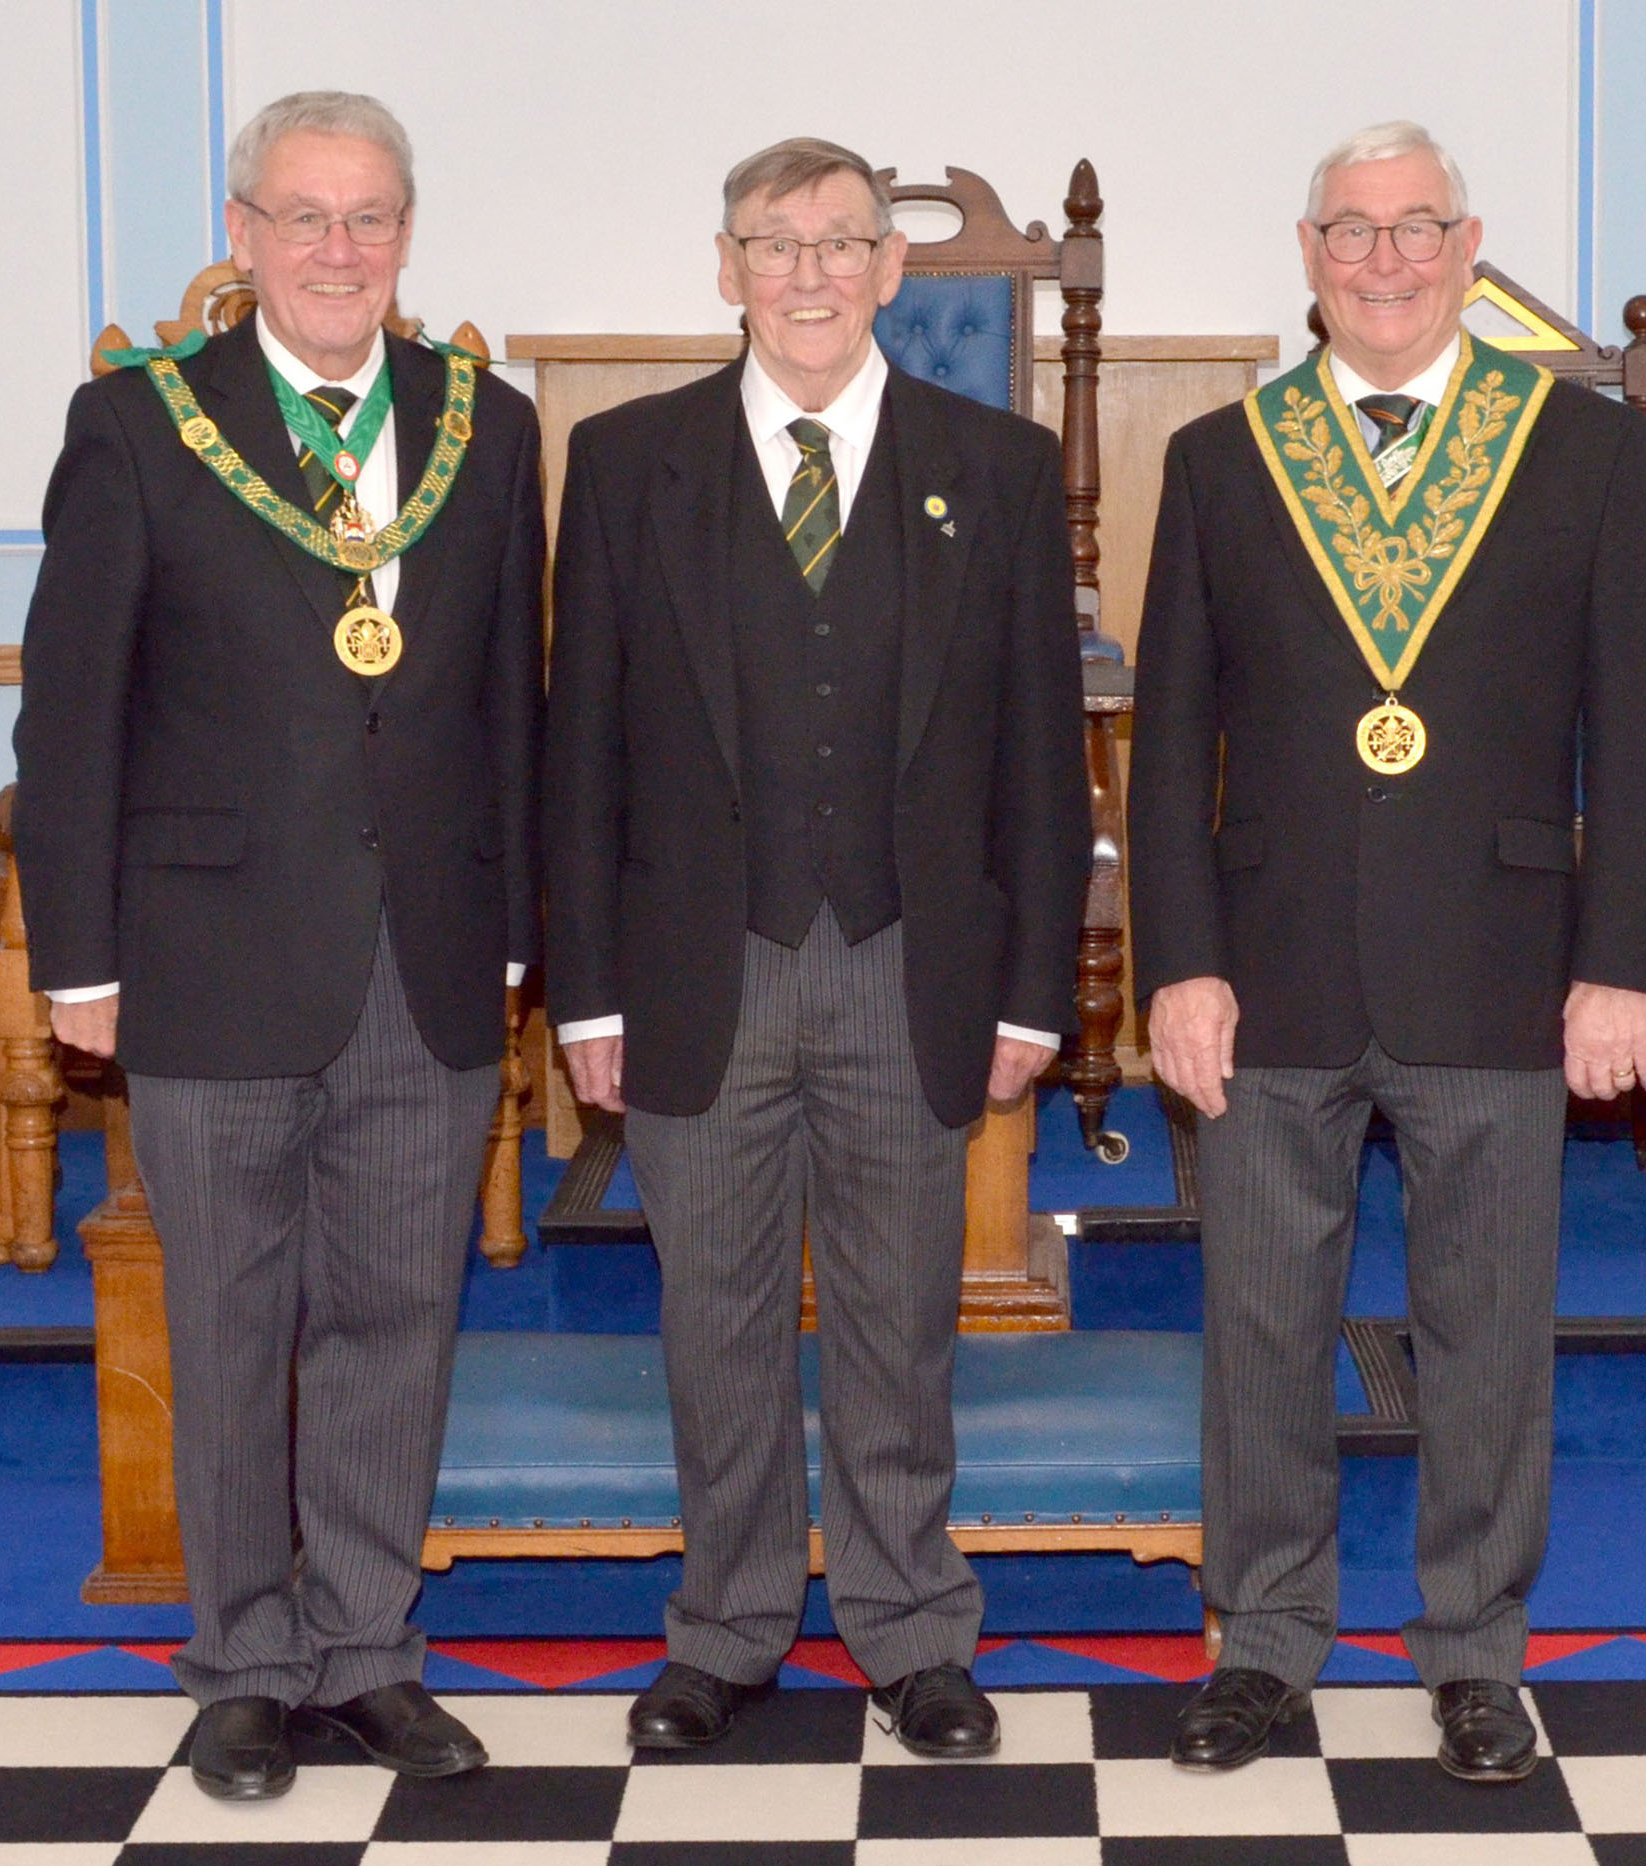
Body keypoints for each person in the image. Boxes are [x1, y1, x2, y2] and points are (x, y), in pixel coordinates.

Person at [1127, 120, 1646, 1783]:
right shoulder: (1226, 458)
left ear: (1468, 242)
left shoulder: (1587, 453)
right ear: (1309, 253)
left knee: (1489, 1330)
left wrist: (1623, 962)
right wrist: (1178, 959)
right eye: (1353, 232)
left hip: (1505, 959)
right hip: (1270, 963)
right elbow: (1170, 741)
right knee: (1261, 1325)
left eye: (1416, 228)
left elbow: (1637, 735)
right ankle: (1263, 1641)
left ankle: (1474, 1651)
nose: (1386, 261)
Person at [13, 91, 543, 1800]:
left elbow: (511, 702)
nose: (338, 248)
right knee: (233, 1319)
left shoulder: (488, 423)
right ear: (243, 234)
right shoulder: (138, 422)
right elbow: (71, 711)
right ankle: (245, 1660)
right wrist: (77, 960)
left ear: (407, 235)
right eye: (304, 216)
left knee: (397, 1316)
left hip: (428, 956)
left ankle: (367, 1646)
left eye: (370, 217)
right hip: (206, 955)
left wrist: (519, 930)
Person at [544, 136, 1089, 1757]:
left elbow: (1042, 763)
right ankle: (725, 1628)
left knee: (899, 1319)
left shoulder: (995, 468)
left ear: (890, 270)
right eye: (773, 245)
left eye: (840, 243)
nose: (808, 275)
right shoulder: (628, 463)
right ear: (726, 267)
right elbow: (580, 751)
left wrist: (1035, 990)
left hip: (910, 965)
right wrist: (586, 989)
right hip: (694, 969)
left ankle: (911, 1628)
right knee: (711, 1321)